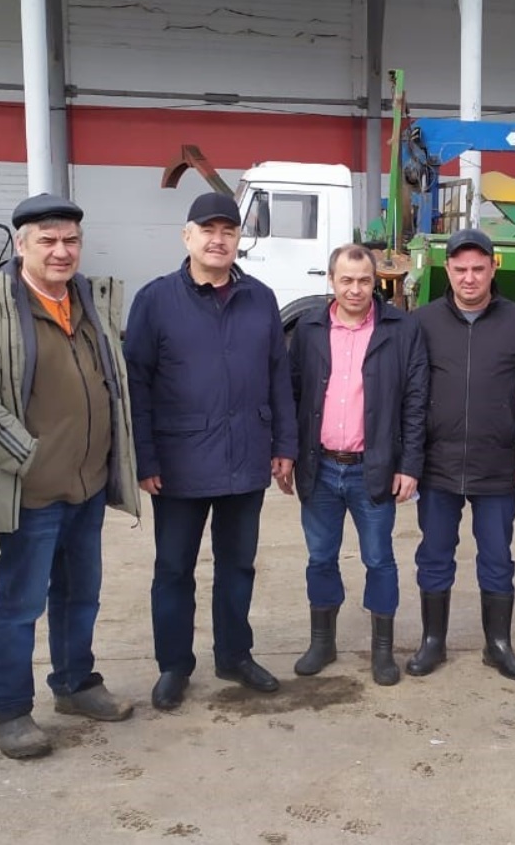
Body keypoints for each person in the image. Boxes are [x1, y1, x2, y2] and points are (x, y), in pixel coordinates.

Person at [0, 193, 141, 759]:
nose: (61, 251)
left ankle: (75, 684)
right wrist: (26, 457)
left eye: (70, 240)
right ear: (22, 245)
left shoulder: (90, 300)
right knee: (21, 604)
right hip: (32, 492)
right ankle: (8, 711)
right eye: (47, 241)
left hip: (87, 485)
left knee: (81, 596)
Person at [125, 191, 299, 711]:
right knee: (173, 569)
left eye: (228, 231)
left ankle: (234, 655)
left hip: (246, 456)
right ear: (187, 236)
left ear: (239, 239)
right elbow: (137, 384)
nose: (218, 240)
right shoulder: (156, 300)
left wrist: (284, 444)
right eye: (208, 230)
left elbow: (278, 376)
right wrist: (144, 457)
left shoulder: (260, 299)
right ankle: (174, 665)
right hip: (178, 463)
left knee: (238, 565)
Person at [408, 228, 515, 682]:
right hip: (438, 465)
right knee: (435, 555)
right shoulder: (423, 323)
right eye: (460, 269)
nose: (469, 278)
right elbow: (409, 394)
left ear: (494, 267)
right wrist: (407, 460)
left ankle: (498, 645)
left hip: (497, 466)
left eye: (478, 268)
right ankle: (433, 641)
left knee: (497, 557)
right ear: (447, 270)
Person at [288, 245, 428, 686]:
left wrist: (409, 465)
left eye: (364, 280)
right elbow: (292, 394)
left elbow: (416, 402)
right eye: (346, 280)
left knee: (379, 558)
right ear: (331, 280)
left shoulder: (401, 330)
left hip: (374, 468)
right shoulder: (309, 329)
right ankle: (322, 642)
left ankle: (382, 651)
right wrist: (286, 454)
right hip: (321, 468)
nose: (355, 289)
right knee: (320, 557)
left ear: (375, 282)